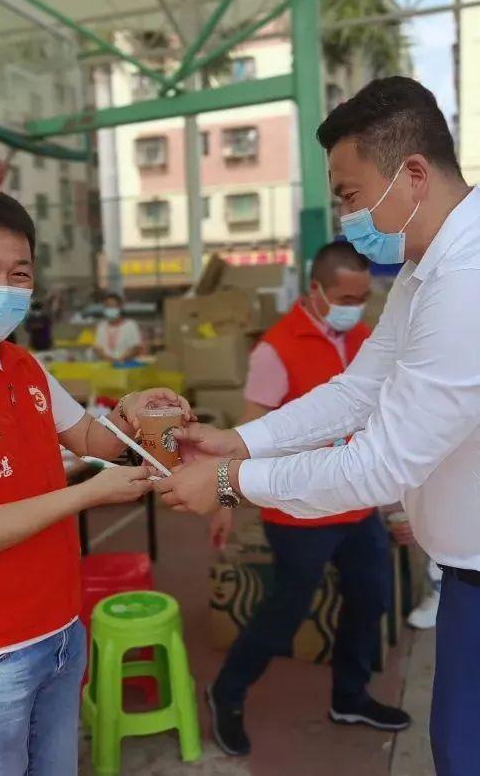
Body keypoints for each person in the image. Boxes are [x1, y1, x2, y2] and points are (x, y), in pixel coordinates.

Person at [155, 76, 480, 776]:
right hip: (461, 568)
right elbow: (360, 389)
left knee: (464, 751)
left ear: (413, 174)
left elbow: (381, 463)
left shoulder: (467, 277)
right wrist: (241, 440)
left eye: (350, 195)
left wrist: (228, 482)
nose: (347, 217)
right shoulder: (425, 271)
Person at [0, 189, 191, 776]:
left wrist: (133, 412)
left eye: (20, 275)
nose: (5, 289)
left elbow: (89, 438)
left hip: (58, 627)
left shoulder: (22, 364)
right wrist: (88, 494)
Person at [205, 241, 408, 757]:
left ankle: (350, 697)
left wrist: (396, 503)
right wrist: (225, 499)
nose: (354, 308)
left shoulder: (365, 339)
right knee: (286, 611)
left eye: (362, 298)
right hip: (296, 509)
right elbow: (249, 429)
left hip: (355, 501)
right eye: (345, 298)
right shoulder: (275, 349)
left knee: (370, 598)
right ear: (316, 290)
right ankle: (227, 692)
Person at [95, 292, 143, 362]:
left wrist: (122, 360)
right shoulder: (101, 326)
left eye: (112, 306)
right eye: (107, 307)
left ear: (120, 307)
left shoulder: (130, 325)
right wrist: (109, 360)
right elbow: (98, 349)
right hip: (106, 365)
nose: (109, 309)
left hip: (126, 365)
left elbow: (136, 348)